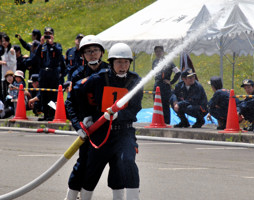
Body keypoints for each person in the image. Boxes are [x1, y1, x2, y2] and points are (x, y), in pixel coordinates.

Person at [70, 43, 142, 200]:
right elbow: (76, 90)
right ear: (111, 63)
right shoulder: (99, 78)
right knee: (91, 170)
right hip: (101, 132)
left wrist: (119, 115)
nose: (123, 66)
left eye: (126, 62)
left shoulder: (135, 80)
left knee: (127, 162)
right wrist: (86, 116)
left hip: (124, 132)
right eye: (118, 62)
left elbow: (135, 108)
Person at [64, 35, 110, 200]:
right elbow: (70, 104)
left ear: (101, 53)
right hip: (87, 128)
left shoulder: (109, 71)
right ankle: (71, 196)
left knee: (102, 165)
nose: (92, 54)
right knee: (83, 162)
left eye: (95, 50)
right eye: (88, 51)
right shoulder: (76, 74)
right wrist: (78, 127)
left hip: (107, 127)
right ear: (82, 55)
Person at [34, 27, 65, 121]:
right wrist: (41, 44)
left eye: (49, 34)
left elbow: (60, 56)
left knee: (52, 94)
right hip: (44, 72)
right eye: (46, 34)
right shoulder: (42, 46)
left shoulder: (57, 46)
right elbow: (36, 56)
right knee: (43, 94)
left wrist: (52, 44)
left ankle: (52, 114)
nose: (47, 36)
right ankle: (45, 114)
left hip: (53, 72)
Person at [152, 46, 180, 124]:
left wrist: (171, 82)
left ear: (163, 52)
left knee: (165, 105)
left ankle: (166, 122)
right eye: (156, 51)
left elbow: (178, 72)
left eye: (159, 51)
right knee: (156, 104)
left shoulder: (168, 62)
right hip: (157, 86)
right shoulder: (154, 62)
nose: (158, 53)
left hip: (165, 86)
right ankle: (157, 121)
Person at [0, 34, 17, 100]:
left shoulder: (11, 50)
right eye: (2, 41)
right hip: (4, 74)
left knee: (11, 93)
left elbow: (13, 62)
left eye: (5, 41)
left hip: (10, 75)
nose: (4, 43)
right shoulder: (3, 50)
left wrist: (3, 63)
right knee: (5, 93)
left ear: (9, 41)